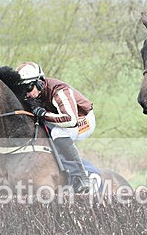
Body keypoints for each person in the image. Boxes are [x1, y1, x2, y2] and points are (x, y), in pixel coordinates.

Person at [16, 61, 95, 193]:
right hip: (59, 118)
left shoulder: (59, 91)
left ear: (40, 82)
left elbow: (71, 120)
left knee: (58, 133)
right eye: (22, 90)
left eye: (28, 88)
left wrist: (45, 115)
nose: (27, 94)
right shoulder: (34, 93)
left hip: (83, 119)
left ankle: (81, 177)